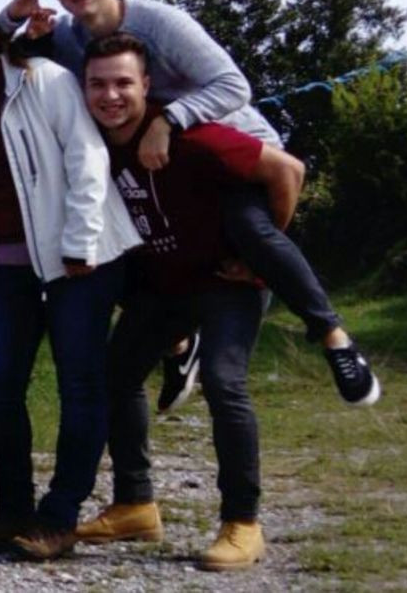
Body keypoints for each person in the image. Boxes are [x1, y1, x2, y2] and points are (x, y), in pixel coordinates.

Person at [0, 0, 376, 406]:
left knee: (245, 225)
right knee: (123, 251)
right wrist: (17, 24)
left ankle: (334, 339)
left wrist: (170, 121)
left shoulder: (159, 23)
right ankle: (180, 345)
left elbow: (233, 85)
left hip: (229, 152)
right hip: (157, 167)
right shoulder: (70, 40)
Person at [76, 33, 300, 571]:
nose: (110, 96)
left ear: (146, 85)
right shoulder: (95, 141)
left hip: (227, 281)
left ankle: (242, 523)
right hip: (165, 283)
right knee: (117, 372)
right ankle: (135, 503)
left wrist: (261, 252)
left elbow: (288, 170)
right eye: (98, 84)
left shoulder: (191, 134)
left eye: (123, 83)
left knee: (225, 383)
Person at [0, 1, 142, 561]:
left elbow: (86, 155)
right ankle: (12, 508)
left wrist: (80, 238)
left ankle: (60, 516)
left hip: (80, 259)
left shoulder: (44, 80)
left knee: (80, 387)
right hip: (6, 265)